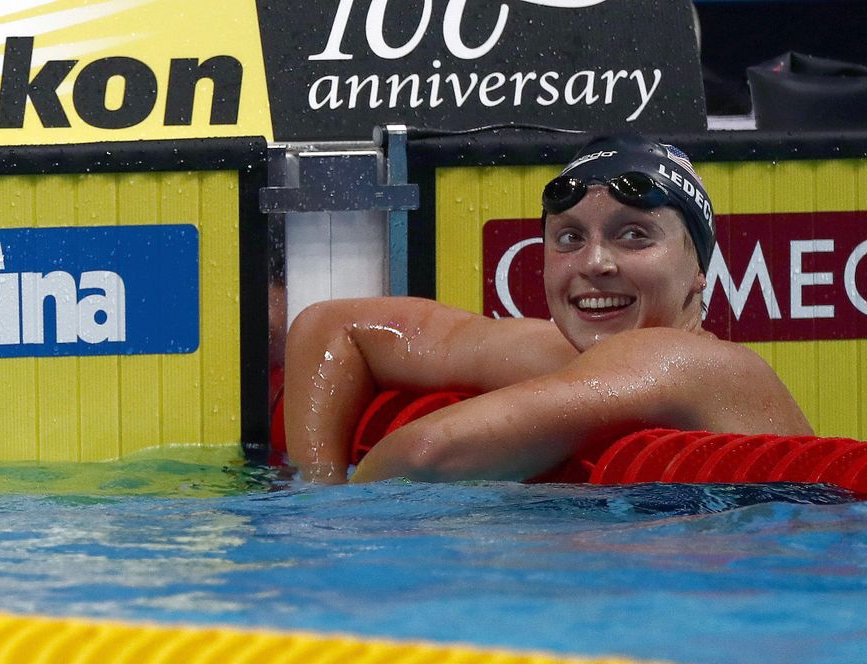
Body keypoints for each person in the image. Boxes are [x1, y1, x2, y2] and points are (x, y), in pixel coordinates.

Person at [284, 133, 811, 484]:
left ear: (700, 269)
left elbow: (428, 453)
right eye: (569, 238)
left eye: (634, 235)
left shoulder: (688, 363)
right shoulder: (561, 356)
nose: (596, 262)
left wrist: (331, 536)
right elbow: (333, 326)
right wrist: (317, 490)